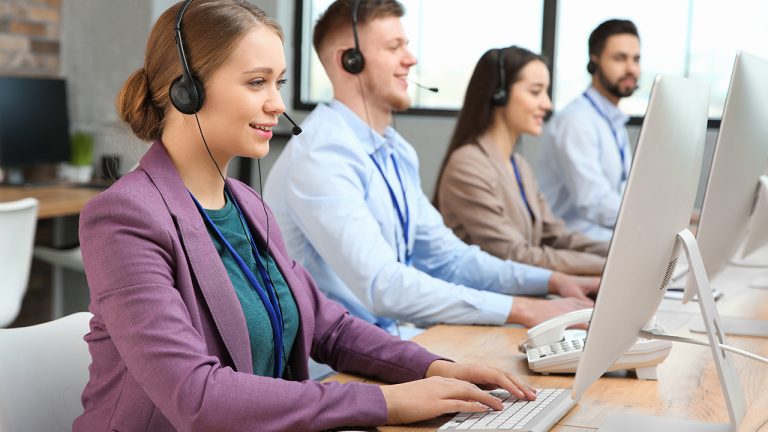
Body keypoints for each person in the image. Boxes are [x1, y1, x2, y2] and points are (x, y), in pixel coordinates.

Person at [73, 1, 539, 430]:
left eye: (278, 82)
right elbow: (195, 396)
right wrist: (388, 402)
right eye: (257, 82)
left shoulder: (248, 206)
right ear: (187, 90)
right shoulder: (125, 218)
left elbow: (328, 327)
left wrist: (434, 367)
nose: (277, 104)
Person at [264, 0, 597, 331]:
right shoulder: (321, 155)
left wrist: (555, 281)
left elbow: (451, 259)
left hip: (392, 340)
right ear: (350, 61)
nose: (411, 59)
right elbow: (384, 286)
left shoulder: (396, 152)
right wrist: (523, 309)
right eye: (394, 48)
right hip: (332, 369)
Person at [434, 46, 609, 276]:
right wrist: (607, 267)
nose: (547, 104)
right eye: (536, 92)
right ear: (500, 94)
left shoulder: (519, 165)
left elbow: (555, 235)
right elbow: (517, 255)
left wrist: (617, 251)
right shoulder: (467, 166)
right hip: (488, 301)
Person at [537, 19, 640, 241]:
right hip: (572, 242)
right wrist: (650, 224)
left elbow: (619, 196)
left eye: (636, 59)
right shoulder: (576, 121)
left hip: (605, 236)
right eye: (620, 58)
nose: (631, 68)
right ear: (595, 62)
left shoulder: (612, 121)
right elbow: (593, 201)